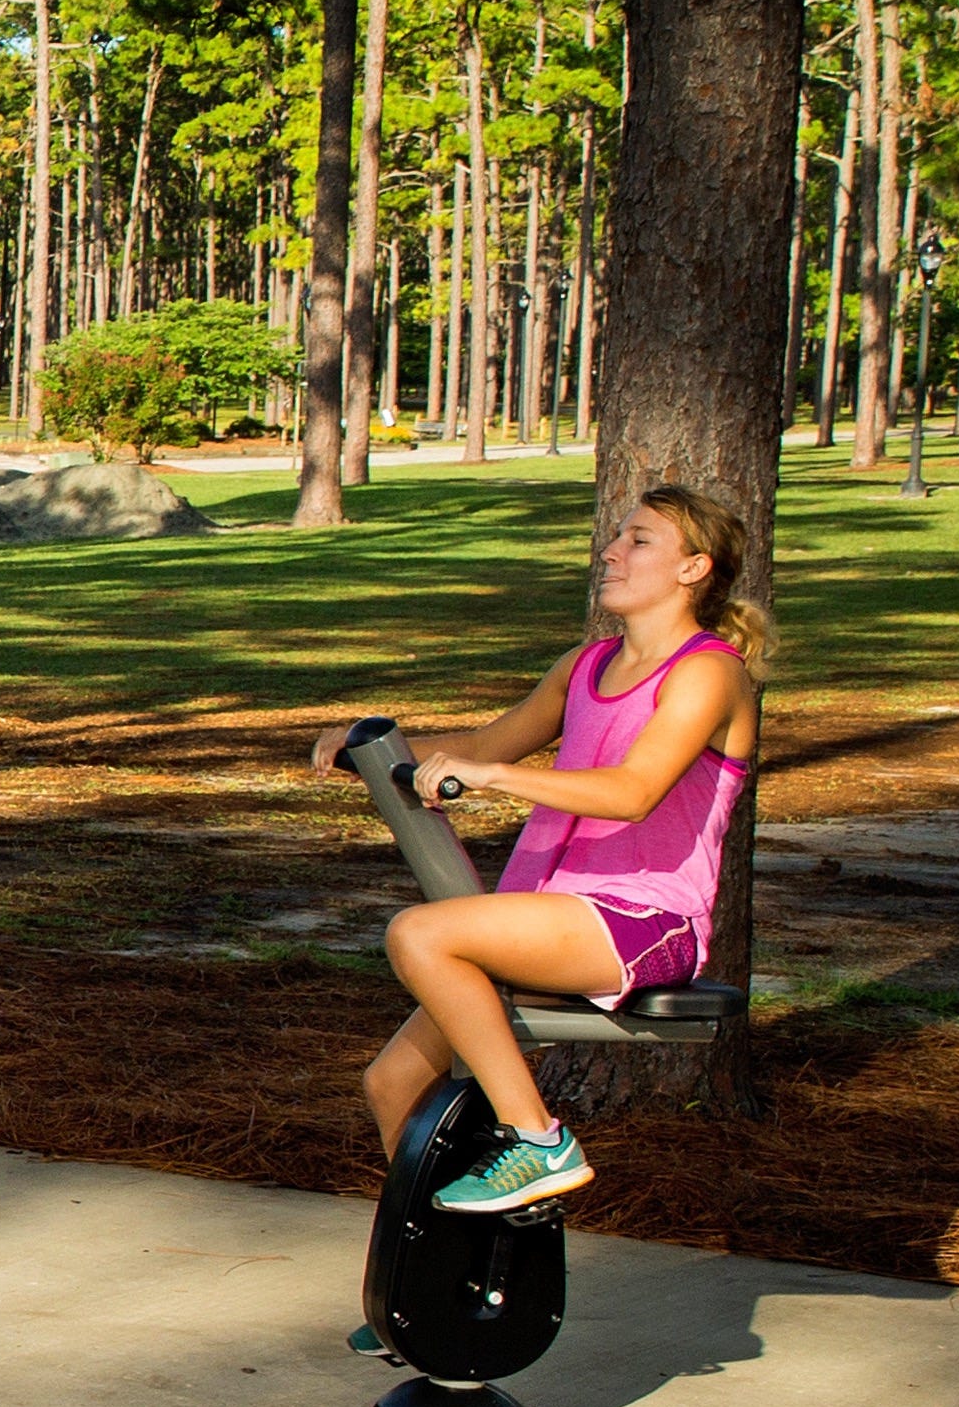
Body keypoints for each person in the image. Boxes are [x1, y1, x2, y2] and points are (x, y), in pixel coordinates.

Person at [311, 482, 767, 1219]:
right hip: (552, 916)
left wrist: (496, 779)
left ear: (694, 568)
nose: (611, 551)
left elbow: (632, 790)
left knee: (420, 931)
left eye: (638, 539)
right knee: (392, 1083)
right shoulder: (583, 667)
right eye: (616, 536)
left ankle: (539, 1140)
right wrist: (367, 750)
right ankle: (440, 1293)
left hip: (644, 921)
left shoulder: (707, 671)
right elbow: (485, 745)